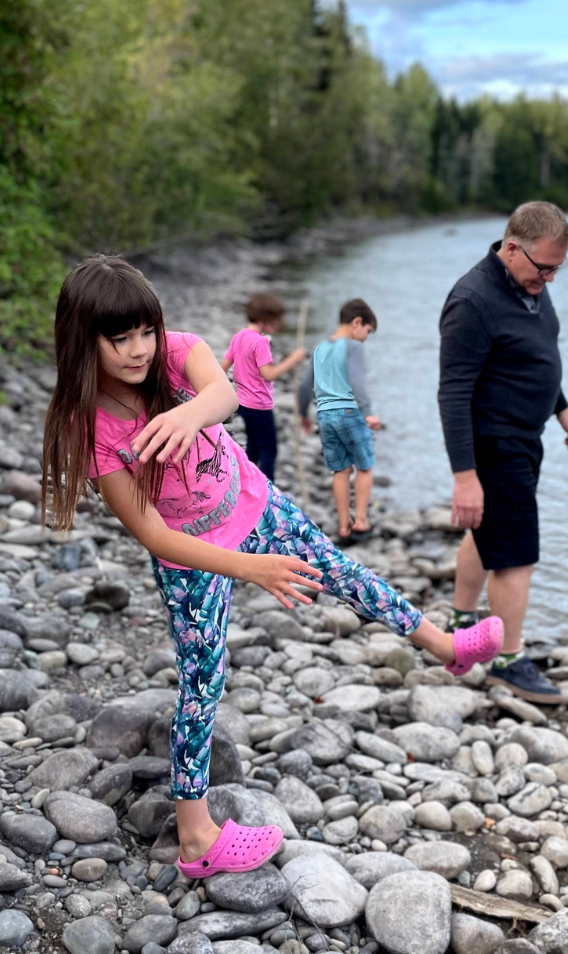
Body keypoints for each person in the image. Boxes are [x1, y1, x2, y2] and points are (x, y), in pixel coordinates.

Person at [42, 256, 503, 879]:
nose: (138, 350)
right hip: (193, 555)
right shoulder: (90, 424)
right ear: (81, 340)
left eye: (144, 332)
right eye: (118, 339)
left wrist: (184, 413)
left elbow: (226, 393)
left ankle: (444, 643)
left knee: (343, 572)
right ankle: (195, 836)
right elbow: (152, 533)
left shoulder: (176, 353)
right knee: (203, 680)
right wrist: (249, 568)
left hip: (254, 501)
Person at [438, 202, 568, 705]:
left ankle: (461, 626)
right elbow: (453, 392)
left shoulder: (532, 288)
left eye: (556, 270)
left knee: (489, 533)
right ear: (511, 248)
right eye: (543, 267)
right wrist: (465, 476)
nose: (548, 278)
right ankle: (508, 661)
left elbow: (540, 354)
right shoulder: (473, 300)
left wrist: (561, 408)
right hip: (494, 442)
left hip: (528, 436)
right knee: (517, 555)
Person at [297, 298, 380, 545]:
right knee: (365, 466)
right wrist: (367, 412)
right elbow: (357, 381)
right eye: (367, 331)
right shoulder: (353, 347)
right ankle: (361, 521)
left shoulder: (320, 349)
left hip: (325, 416)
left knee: (340, 470)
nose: (365, 338)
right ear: (357, 323)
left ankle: (343, 525)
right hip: (349, 413)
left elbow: (304, 386)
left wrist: (303, 413)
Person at [220, 294, 305, 483]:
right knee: (269, 450)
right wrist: (293, 359)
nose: (278, 324)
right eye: (276, 320)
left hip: (243, 403)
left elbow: (222, 368)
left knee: (253, 447)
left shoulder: (240, 336)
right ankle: (267, 493)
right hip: (260, 405)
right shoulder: (261, 342)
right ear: (265, 320)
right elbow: (269, 374)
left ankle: (247, 484)